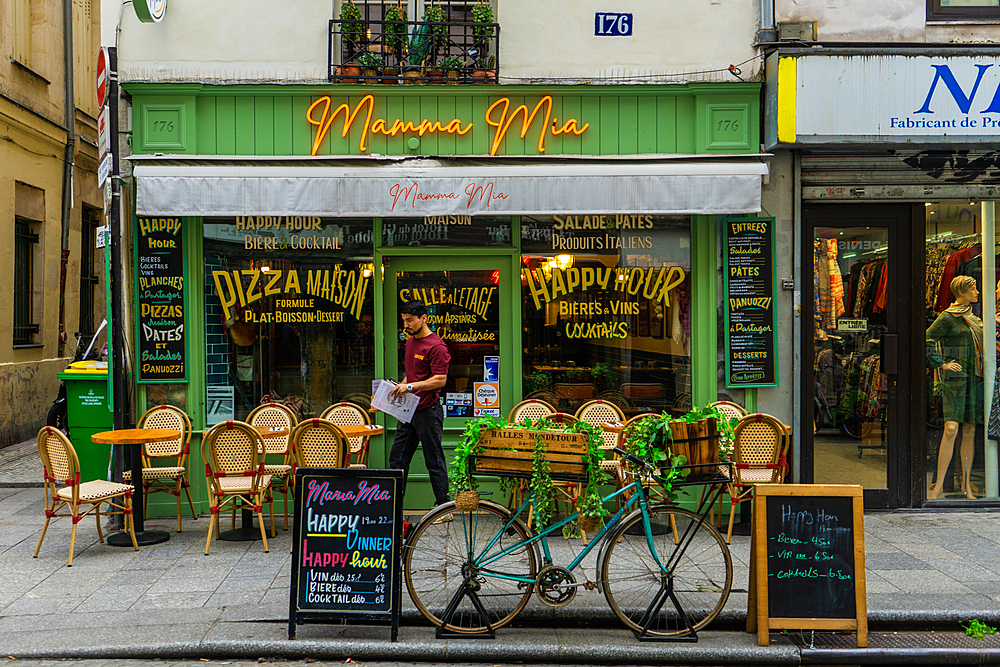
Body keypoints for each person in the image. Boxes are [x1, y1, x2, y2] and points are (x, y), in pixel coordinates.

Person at [389, 300, 452, 506]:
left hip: (428, 411)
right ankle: (394, 506)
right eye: (404, 321)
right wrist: (402, 386)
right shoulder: (410, 342)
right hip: (409, 409)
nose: (406, 325)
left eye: (410, 321)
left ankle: (443, 507)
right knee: (397, 459)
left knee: (433, 460)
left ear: (424, 318)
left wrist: (410, 387)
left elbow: (439, 379)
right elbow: (412, 374)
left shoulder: (437, 347)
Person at [927, 275, 984, 500]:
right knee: (951, 429)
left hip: (975, 379)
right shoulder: (948, 317)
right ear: (961, 291)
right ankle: (939, 484)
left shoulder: (975, 318)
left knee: (970, 430)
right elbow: (927, 339)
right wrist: (942, 364)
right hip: (956, 380)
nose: (978, 292)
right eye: (973, 288)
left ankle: (966, 485)